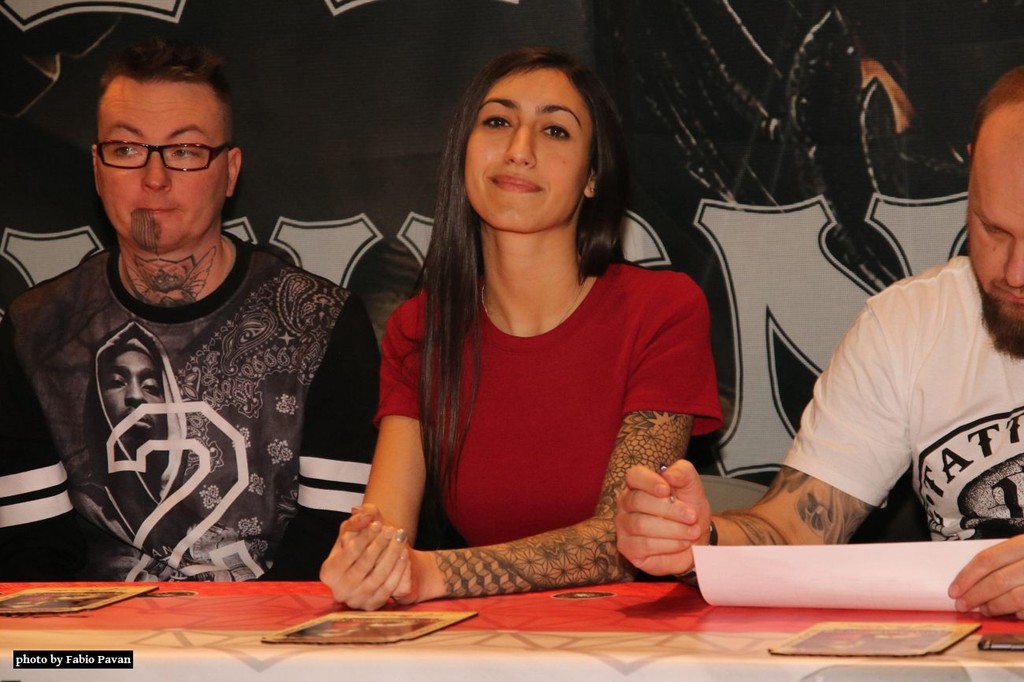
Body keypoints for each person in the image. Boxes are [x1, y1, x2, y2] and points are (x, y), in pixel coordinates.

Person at [319, 47, 722, 610]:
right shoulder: (420, 328)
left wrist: (431, 573)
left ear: (592, 177)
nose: (519, 150)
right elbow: (386, 528)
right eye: (497, 122)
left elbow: (623, 539)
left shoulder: (661, 309)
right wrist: (365, 561)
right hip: (486, 639)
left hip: (634, 637)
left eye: (555, 131)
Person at [615, 65, 1024, 620]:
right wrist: (696, 541)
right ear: (969, 170)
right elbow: (793, 529)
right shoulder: (910, 323)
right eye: (993, 230)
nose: (1015, 272)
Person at [0, 38, 380, 581]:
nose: (154, 178)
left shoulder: (322, 322)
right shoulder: (34, 330)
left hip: (279, 629)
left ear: (230, 171)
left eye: (184, 151)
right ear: (98, 167)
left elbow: (335, 543)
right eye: (127, 149)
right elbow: (31, 556)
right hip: (97, 633)